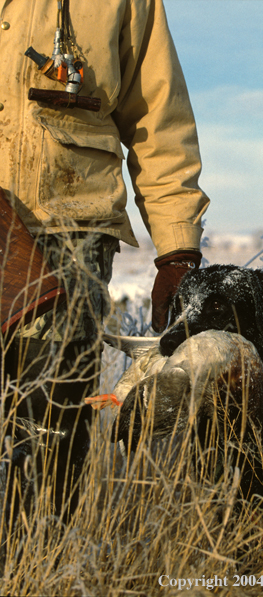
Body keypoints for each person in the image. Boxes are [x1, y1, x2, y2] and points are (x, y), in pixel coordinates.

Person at [0, 0, 209, 519]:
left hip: (68, 236)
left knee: (50, 425)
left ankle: (41, 566)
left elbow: (158, 121)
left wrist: (177, 248)